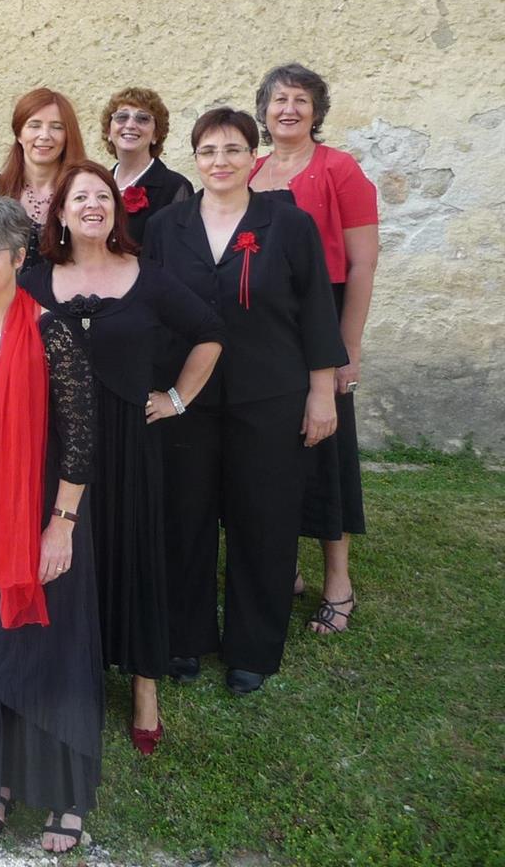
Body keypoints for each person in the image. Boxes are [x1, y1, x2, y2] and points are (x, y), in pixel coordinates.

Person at [143, 108, 346, 695]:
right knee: (185, 515)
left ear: (251, 156)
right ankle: (184, 637)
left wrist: (321, 392)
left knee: (264, 519)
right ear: (195, 158)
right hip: (189, 399)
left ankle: (252, 647)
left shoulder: (288, 225)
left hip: (270, 394)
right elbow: (151, 307)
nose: (220, 162)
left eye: (233, 150)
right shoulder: (166, 227)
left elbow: (315, 311)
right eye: (208, 151)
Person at [24, 163, 223, 754]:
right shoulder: (33, 281)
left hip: (131, 446)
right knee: (66, 557)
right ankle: (72, 677)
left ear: (115, 210)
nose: (92, 204)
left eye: (102, 196)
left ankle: (143, 688)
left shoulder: (149, 277)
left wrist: (178, 398)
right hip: (57, 452)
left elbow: (210, 333)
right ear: (59, 213)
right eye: (78, 196)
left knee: (133, 555)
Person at [0, 194, 101, 855]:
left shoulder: (49, 331)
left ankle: (65, 796)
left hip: (40, 515)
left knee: (46, 646)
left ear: (18, 256)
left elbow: (81, 438)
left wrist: (60, 525)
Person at [250, 63, 379, 635]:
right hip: (267, 328)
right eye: (279, 100)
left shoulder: (339, 170)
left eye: (300, 100)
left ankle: (337, 580)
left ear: (316, 111)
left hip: (322, 318)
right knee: (274, 454)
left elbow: (362, 263)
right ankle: (286, 569)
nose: (289, 110)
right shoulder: (250, 172)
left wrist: (346, 348)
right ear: (264, 111)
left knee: (325, 450)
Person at [0, 88, 86, 269]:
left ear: (68, 135)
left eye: (57, 127)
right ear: (19, 134)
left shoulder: (85, 194)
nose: (45, 135)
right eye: (34, 125)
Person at [99, 88, 193, 245]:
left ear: (156, 134)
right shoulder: (98, 184)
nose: (130, 125)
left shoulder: (175, 188)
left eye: (142, 119)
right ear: (109, 131)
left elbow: (179, 255)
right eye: (121, 117)